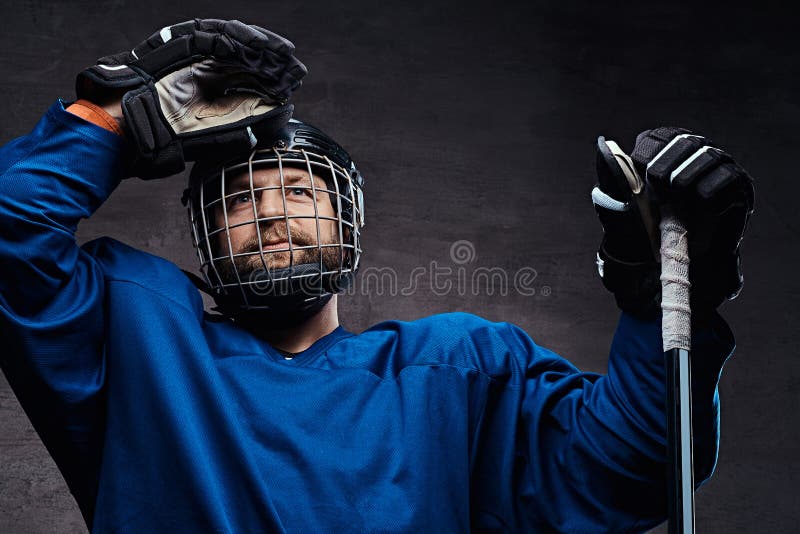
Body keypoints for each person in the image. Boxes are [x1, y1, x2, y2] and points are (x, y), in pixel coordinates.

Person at [0, 19, 753, 533]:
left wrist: (655, 295)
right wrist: (114, 114)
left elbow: (634, 469)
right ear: (201, 231)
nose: (269, 213)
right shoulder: (135, 334)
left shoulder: (460, 369)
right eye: (239, 198)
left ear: (350, 217)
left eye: (298, 189)